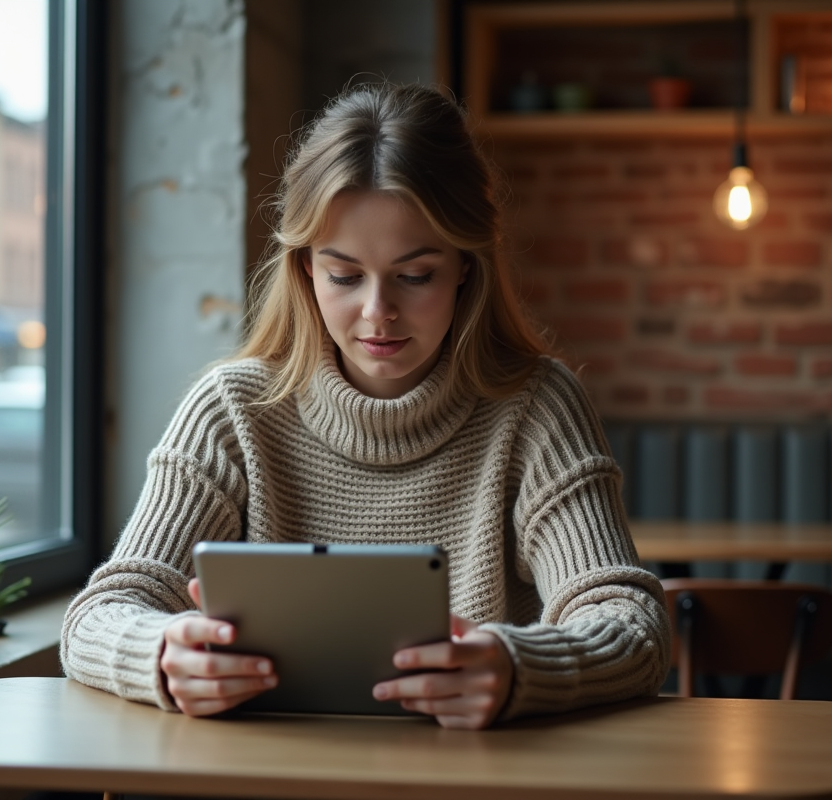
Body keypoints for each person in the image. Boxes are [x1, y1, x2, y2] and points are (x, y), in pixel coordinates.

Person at [61, 82, 671, 730]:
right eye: (344, 275)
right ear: (304, 269)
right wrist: (162, 656)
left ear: (466, 265)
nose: (378, 311)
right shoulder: (230, 412)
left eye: (415, 275)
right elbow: (98, 615)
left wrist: (519, 666)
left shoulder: (536, 407)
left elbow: (632, 623)